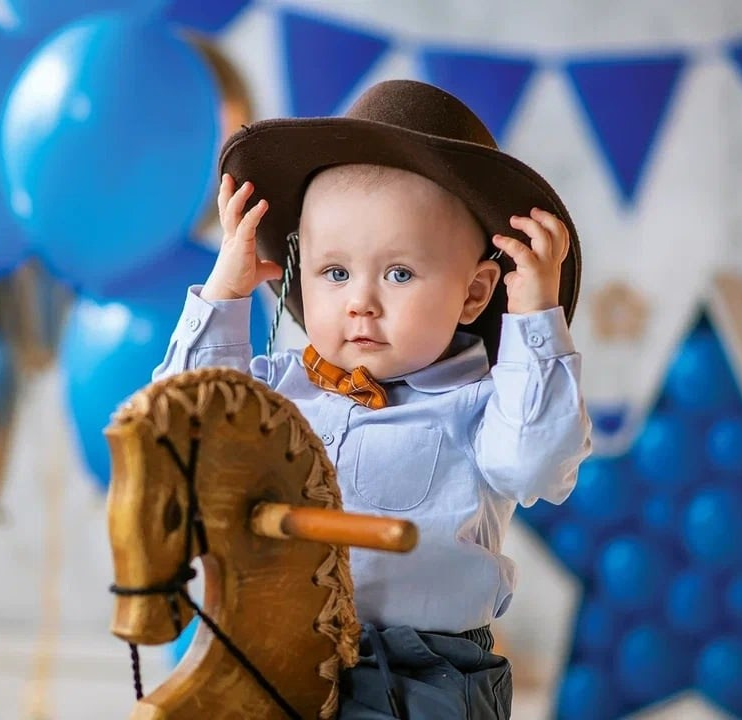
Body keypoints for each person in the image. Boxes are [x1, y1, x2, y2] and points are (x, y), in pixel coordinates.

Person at [153, 79, 591, 719]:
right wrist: (225, 293)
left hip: (420, 672)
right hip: (274, 650)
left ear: (474, 293)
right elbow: (182, 436)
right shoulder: (274, 391)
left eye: (399, 273)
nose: (361, 301)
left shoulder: (487, 408)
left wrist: (534, 320)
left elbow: (537, 464)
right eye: (335, 272)